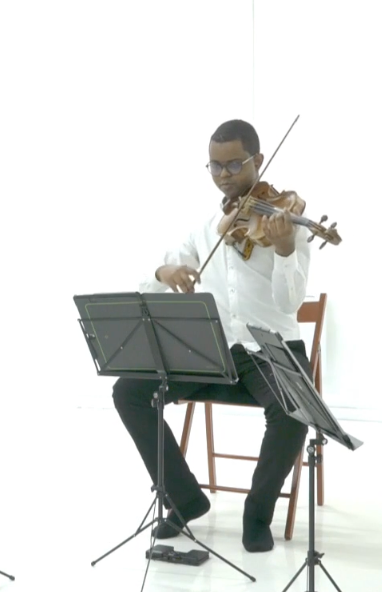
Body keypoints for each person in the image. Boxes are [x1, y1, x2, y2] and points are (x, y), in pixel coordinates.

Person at [112, 119, 312, 553]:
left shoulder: (287, 224)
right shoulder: (207, 230)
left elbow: (289, 303)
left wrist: (283, 251)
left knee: (293, 413)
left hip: (271, 349)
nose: (224, 176)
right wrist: (164, 272)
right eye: (215, 166)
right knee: (128, 392)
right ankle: (185, 498)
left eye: (234, 165)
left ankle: (256, 514)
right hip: (214, 354)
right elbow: (151, 279)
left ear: (258, 161)